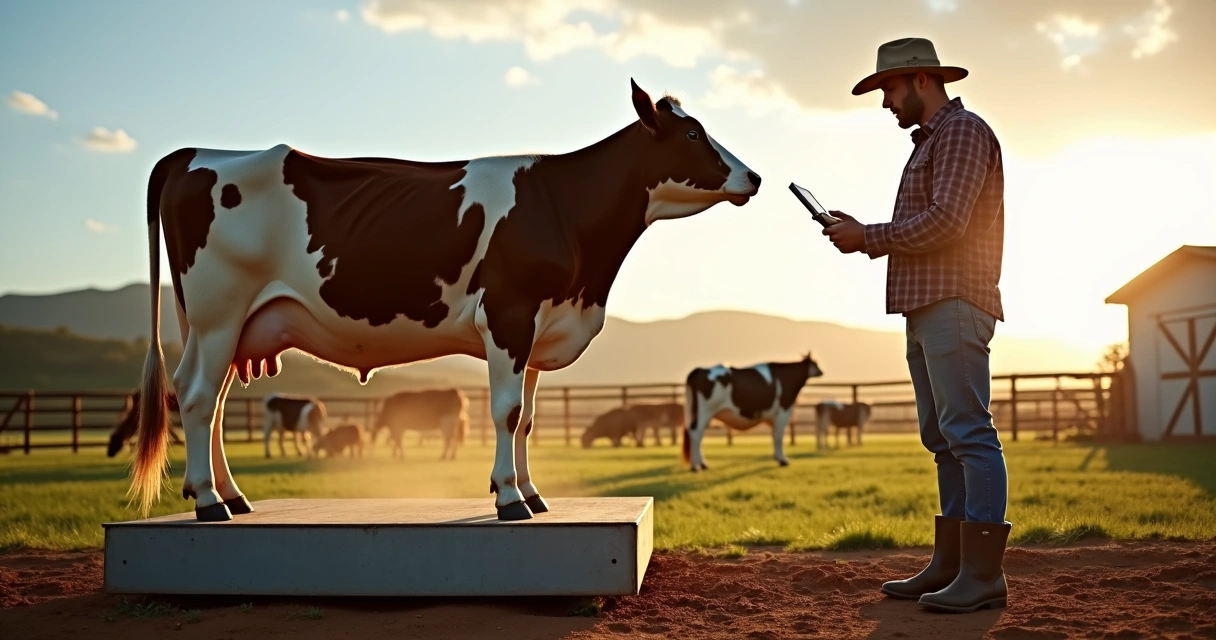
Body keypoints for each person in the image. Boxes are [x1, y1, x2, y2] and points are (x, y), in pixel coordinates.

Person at [822, 37, 1011, 614]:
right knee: (944, 439)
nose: (884, 103)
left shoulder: (961, 133)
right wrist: (864, 234)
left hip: (954, 301)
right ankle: (953, 565)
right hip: (928, 304)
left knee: (969, 434)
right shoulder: (933, 140)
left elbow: (949, 222)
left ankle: (982, 576)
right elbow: (932, 221)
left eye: (888, 89)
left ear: (921, 80)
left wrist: (869, 237)